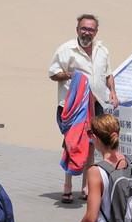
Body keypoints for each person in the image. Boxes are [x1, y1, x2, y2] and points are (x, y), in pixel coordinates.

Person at [49, 13, 119, 203]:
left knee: (91, 144)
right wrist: (72, 75)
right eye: (83, 28)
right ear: (77, 29)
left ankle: (86, 187)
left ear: (96, 31)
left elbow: (108, 73)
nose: (87, 32)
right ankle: (67, 186)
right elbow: (53, 73)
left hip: (96, 104)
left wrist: (113, 92)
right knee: (72, 144)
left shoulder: (102, 50)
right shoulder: (66, 49)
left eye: (91, 29)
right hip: (72, 106)